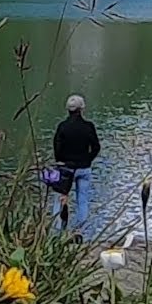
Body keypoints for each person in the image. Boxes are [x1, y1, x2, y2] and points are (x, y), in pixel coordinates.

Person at [52, 94, 100, 236]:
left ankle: (57, 232)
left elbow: (57, 147)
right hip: (84, 168)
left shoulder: (62, 127)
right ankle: (81, 232)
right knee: (83, 200)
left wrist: (61, 161)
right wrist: (88, 159)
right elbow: (96, 147)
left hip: (65, 168)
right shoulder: (88, 127)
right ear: (81, 109)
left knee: (59, 200)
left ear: (68, 109)